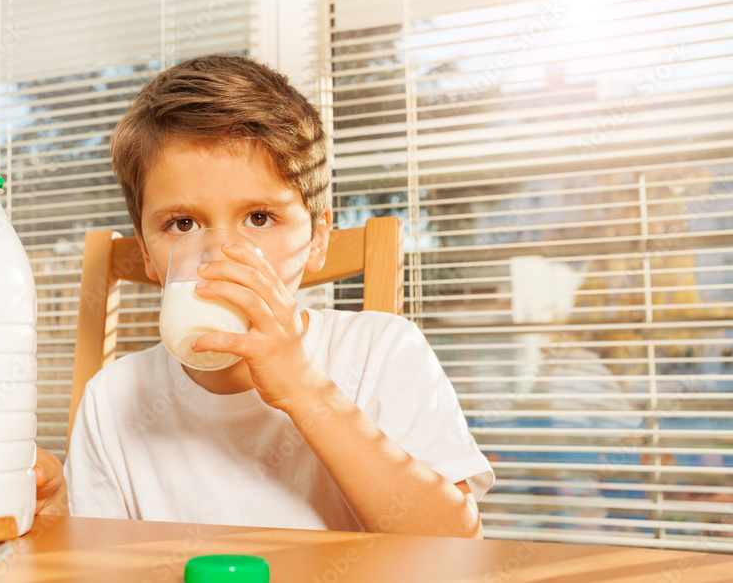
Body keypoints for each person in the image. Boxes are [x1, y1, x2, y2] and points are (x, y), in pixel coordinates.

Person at [33, 54, 493, 536]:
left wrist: (304, 389)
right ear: (148, 252)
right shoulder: (114, 398)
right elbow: (103, 565)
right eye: (183, 224)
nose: (222, 254)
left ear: (316, 238)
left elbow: (454, 544)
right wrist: (61, 520)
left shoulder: (380, 350)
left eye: (259, 218)